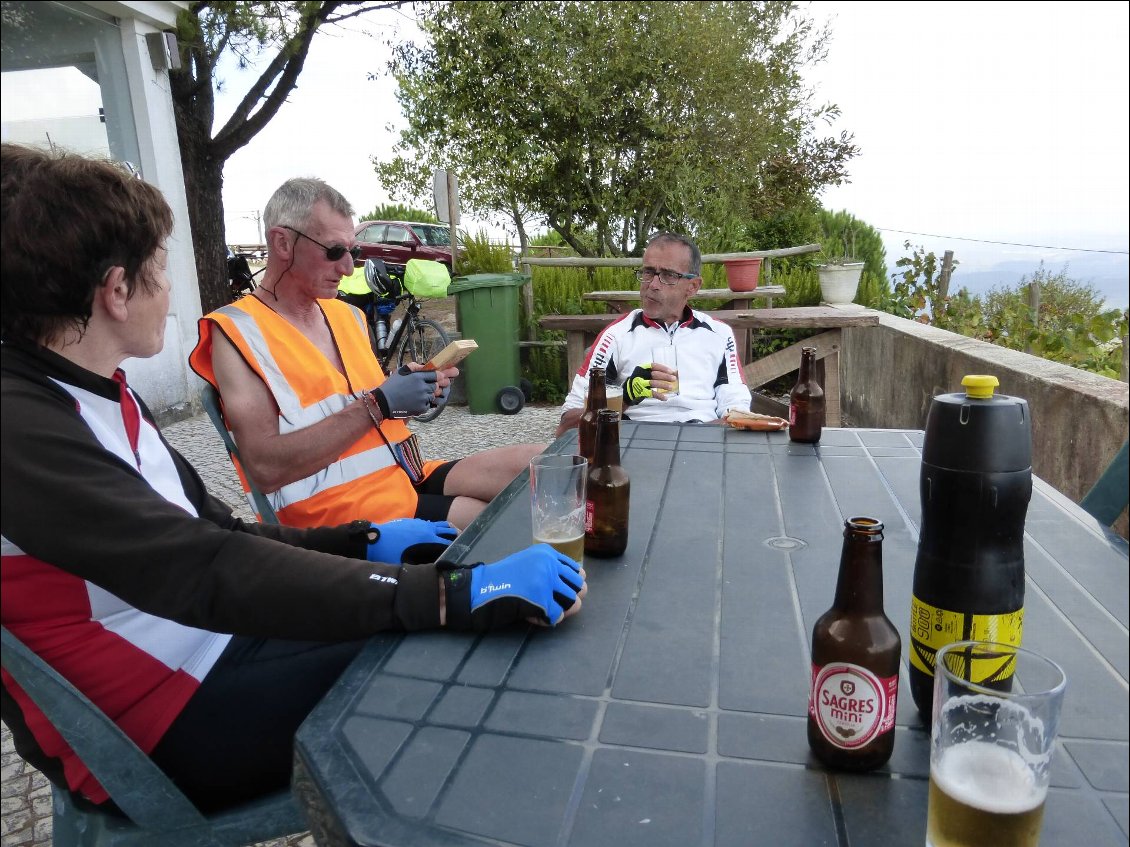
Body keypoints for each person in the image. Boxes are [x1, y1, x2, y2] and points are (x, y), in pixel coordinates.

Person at [0, 143, 586, 814]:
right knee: (451, 663)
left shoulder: (100, 394)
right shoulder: (22, 426)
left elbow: (217, 531)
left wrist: (363, 542)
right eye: (161, 269)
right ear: (116, 290)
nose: (170, 291)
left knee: (443, 632)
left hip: (206, 649)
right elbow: (209, 567)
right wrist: (448, 594)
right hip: (151, 721)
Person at [190, 178, 543, 530]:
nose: (347, 268)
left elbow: (367, 410)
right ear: (282, 242)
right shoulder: (237, 333)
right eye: (333, 251)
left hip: (403, 474)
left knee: (544, 463)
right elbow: (265, 470)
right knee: (501, 524)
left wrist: (414, 394)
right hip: (340, 514)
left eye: (352, 252)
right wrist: (380, 404)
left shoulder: (349, 317)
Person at [556, 232, 753, 434]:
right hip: (635, 443)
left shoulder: (719, 334)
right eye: (648, 272)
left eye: (668, 275)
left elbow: (737, 408)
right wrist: (624, 397)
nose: (653, 285)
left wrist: (701, 435)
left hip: (702, 442)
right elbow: (566, 425)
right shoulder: (616, 335)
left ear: (693, 287)